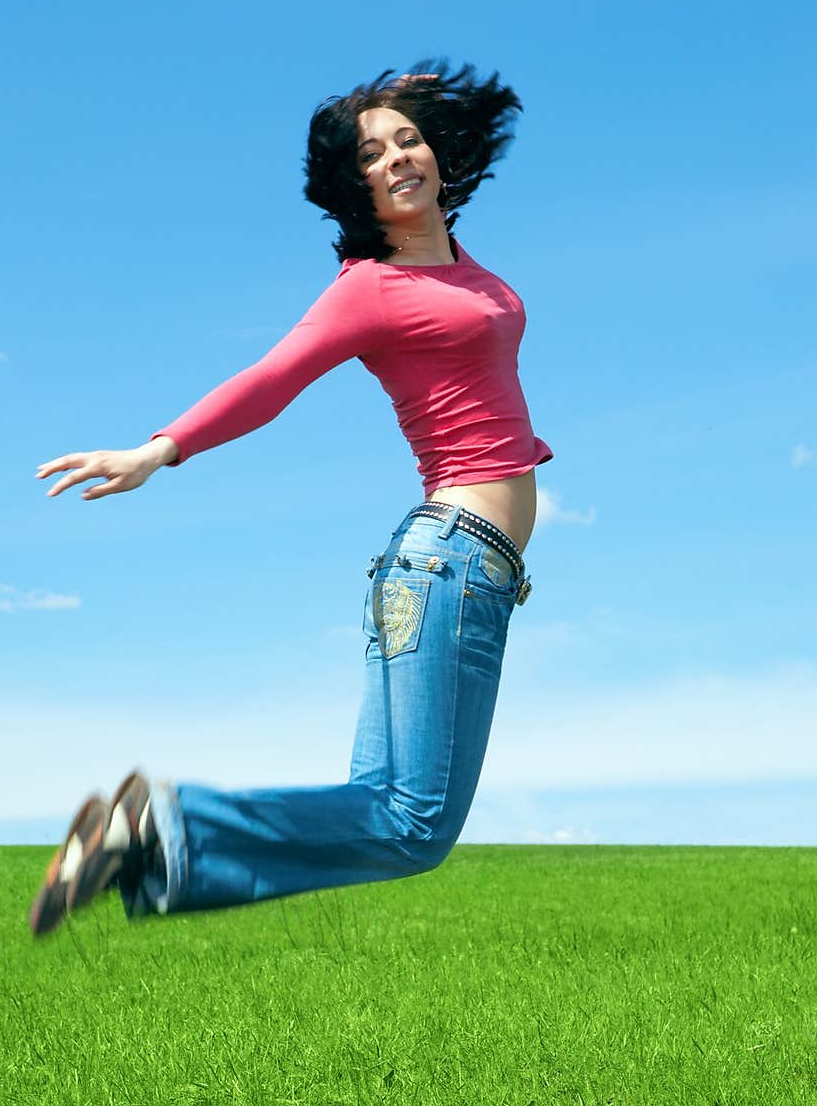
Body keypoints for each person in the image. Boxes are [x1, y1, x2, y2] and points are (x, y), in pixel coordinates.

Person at [28, 60, 553, 937]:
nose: (396, 159)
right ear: (355, 188)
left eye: (409, 140)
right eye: (373, 155)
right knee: (414, 824)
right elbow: (273, 376)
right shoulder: (370, 287)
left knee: (385, 811)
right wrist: (161, 449)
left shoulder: (460, 265)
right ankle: (164, 824)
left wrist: (411, 97)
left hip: (448, 570)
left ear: (439, 150)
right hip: (450, 562)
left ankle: (155, 847)